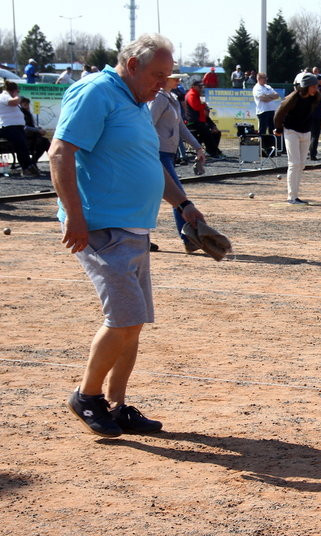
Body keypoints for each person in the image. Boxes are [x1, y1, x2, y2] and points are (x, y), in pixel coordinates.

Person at [49, 33, 206, 438]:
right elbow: (60, 152)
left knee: (133, 323)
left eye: (168, 77)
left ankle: (116, 405)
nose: (163, 84)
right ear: (132, 65)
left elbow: (148, 164)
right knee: (124, 318)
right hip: (102, 228)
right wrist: (75, 217)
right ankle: (87, 396)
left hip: (135, 228)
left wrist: (184, 205)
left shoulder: (137, 102)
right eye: (158, 75)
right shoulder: (96, 92)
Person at [149, 73, 206, 253]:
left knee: (150, 198)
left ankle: (140, 237)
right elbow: (147, 123)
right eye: (175, 78)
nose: (179, 81)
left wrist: (198, 147)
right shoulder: (158, 98)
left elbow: (181, 127)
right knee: (178, 196)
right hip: (157, 153)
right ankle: (189, 239)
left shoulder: (171, 98)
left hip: (166, 153)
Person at [274, 72, 321, 204]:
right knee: (294, 163)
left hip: (306, 131)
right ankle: (292, 197)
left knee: (301, 164)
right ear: (306, 86)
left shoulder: (316, 96)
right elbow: (279, 113)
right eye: (313, 86)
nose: (316, 89)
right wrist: (278, 128)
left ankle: (295, 195)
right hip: (291, 131)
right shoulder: (293, 98)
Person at [0, 81, 39, 176]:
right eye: (17, 91)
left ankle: (29, 166)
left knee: (23, 145)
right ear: (13, 90)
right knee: (21, 144)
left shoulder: (9, 96)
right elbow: (13, 102)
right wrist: (18, 96)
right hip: (8, 127)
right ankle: (27, 167)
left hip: (15, 127)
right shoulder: (4, 96)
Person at [185, 79, 223, 158]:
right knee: (207, 134)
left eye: (202, 86)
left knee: (215, 133)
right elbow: (195, 107)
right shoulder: (191, 94)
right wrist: (203, 105)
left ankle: (213, 151)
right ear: (194, 86)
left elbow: (204, 115)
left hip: (199, 121)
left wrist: (213, 126)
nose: (201, 88)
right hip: (194, 122)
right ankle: (213, 152)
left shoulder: (195, 94)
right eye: (199, 86)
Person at [253, 72, 281, 157]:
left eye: (266, 78)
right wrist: (270, 97)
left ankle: (272, 148)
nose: (266, 79)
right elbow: (263, 98)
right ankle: (261, 149)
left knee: (272, 130)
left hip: (271, 110)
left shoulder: (268, 87)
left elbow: (277, 95)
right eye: (264, 78)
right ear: (259, 79)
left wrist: (269, 97)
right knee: (262, 130)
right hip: (263, 111)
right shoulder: (257, 88)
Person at [19, 96, 51, 167]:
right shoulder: (21, 113)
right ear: (20, 105)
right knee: (44, 143)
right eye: (25, 105)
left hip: (32, 136)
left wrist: (38, 129)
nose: (27, 106)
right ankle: (34, 161)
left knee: (45, 142)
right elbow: (24, 127)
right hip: (26, 138)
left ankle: (33, 161)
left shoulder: (27, 113)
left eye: (27, 104)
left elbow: (30, 125)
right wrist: (37, 130)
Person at [308, 74, 321, 161]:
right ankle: (313, 154)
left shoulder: (309, 90)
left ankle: (308, 152)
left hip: (309, 114)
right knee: (315, 135)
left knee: (310, 134)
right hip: (317, 115)